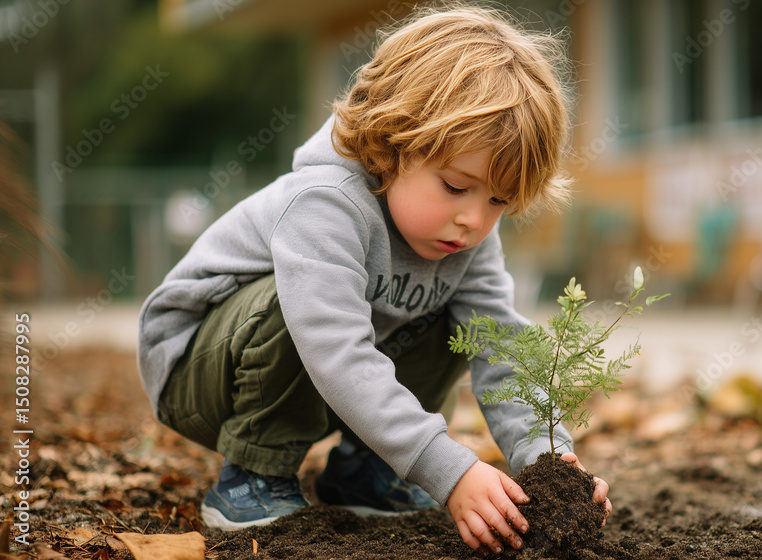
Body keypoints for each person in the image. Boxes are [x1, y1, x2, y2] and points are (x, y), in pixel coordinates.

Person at [136, 5, 610, 555]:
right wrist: (448, 469)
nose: (475, 219)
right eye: (456, 186)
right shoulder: (326, 203)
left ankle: (366, 469)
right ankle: (253, 471)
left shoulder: (465, 236)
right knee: (300, 311)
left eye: (499, 199)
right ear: (392, 144)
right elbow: (333, 349)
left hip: (316, 378)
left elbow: (501, 343)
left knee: (468, 320)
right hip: (198, 372)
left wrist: (546, 460)